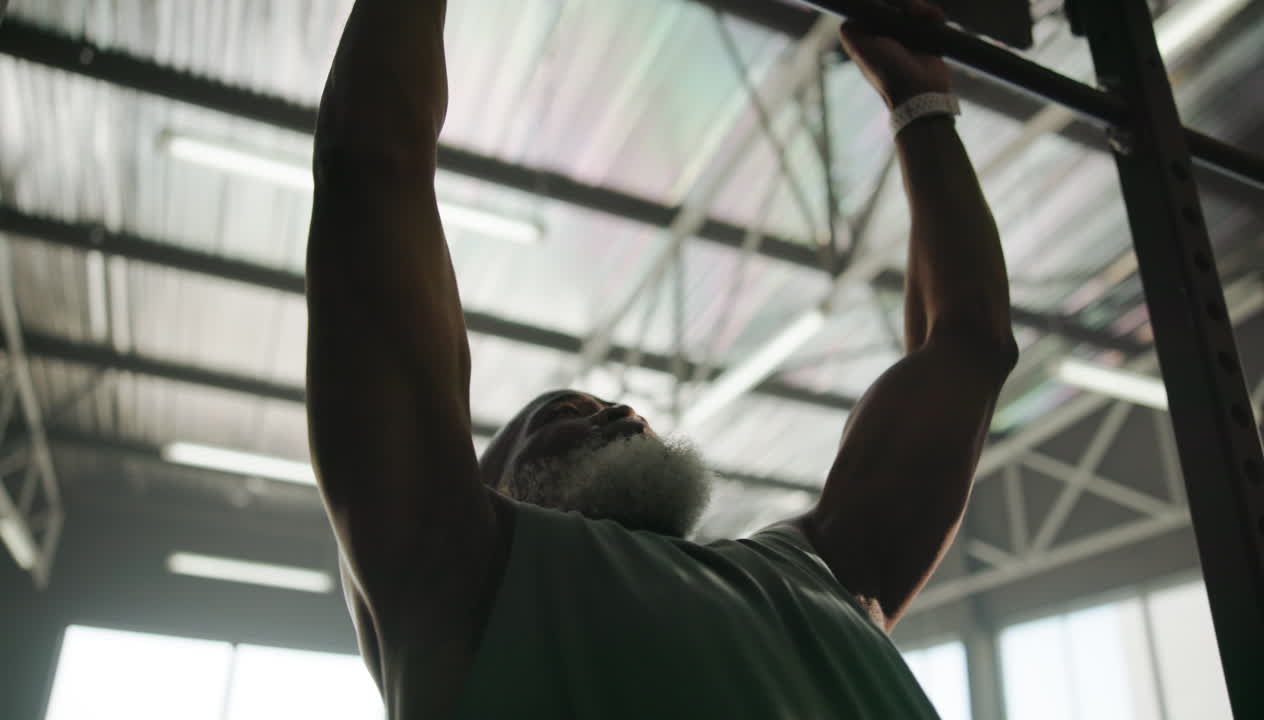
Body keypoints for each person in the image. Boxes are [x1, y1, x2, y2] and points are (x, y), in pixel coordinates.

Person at [305, 0, 1017, 717]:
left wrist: (920, 101)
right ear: (496, 485)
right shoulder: (457, 574)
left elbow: (970, 345)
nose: (617, 409)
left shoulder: (816, 570)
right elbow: (372, 165)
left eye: (606, 404)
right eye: (563, 414)